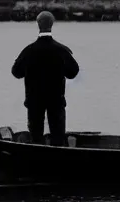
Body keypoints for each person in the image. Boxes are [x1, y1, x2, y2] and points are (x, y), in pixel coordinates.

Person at [11, 11, 79, 145]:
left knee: (35, 137)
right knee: (58, 137)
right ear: (52, 25)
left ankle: (36, 161)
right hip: (56, 100)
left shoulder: (28, 51)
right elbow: (73, 72)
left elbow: (16, 72)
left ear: (38, 25)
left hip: (34, 100)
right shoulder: (61, 50)